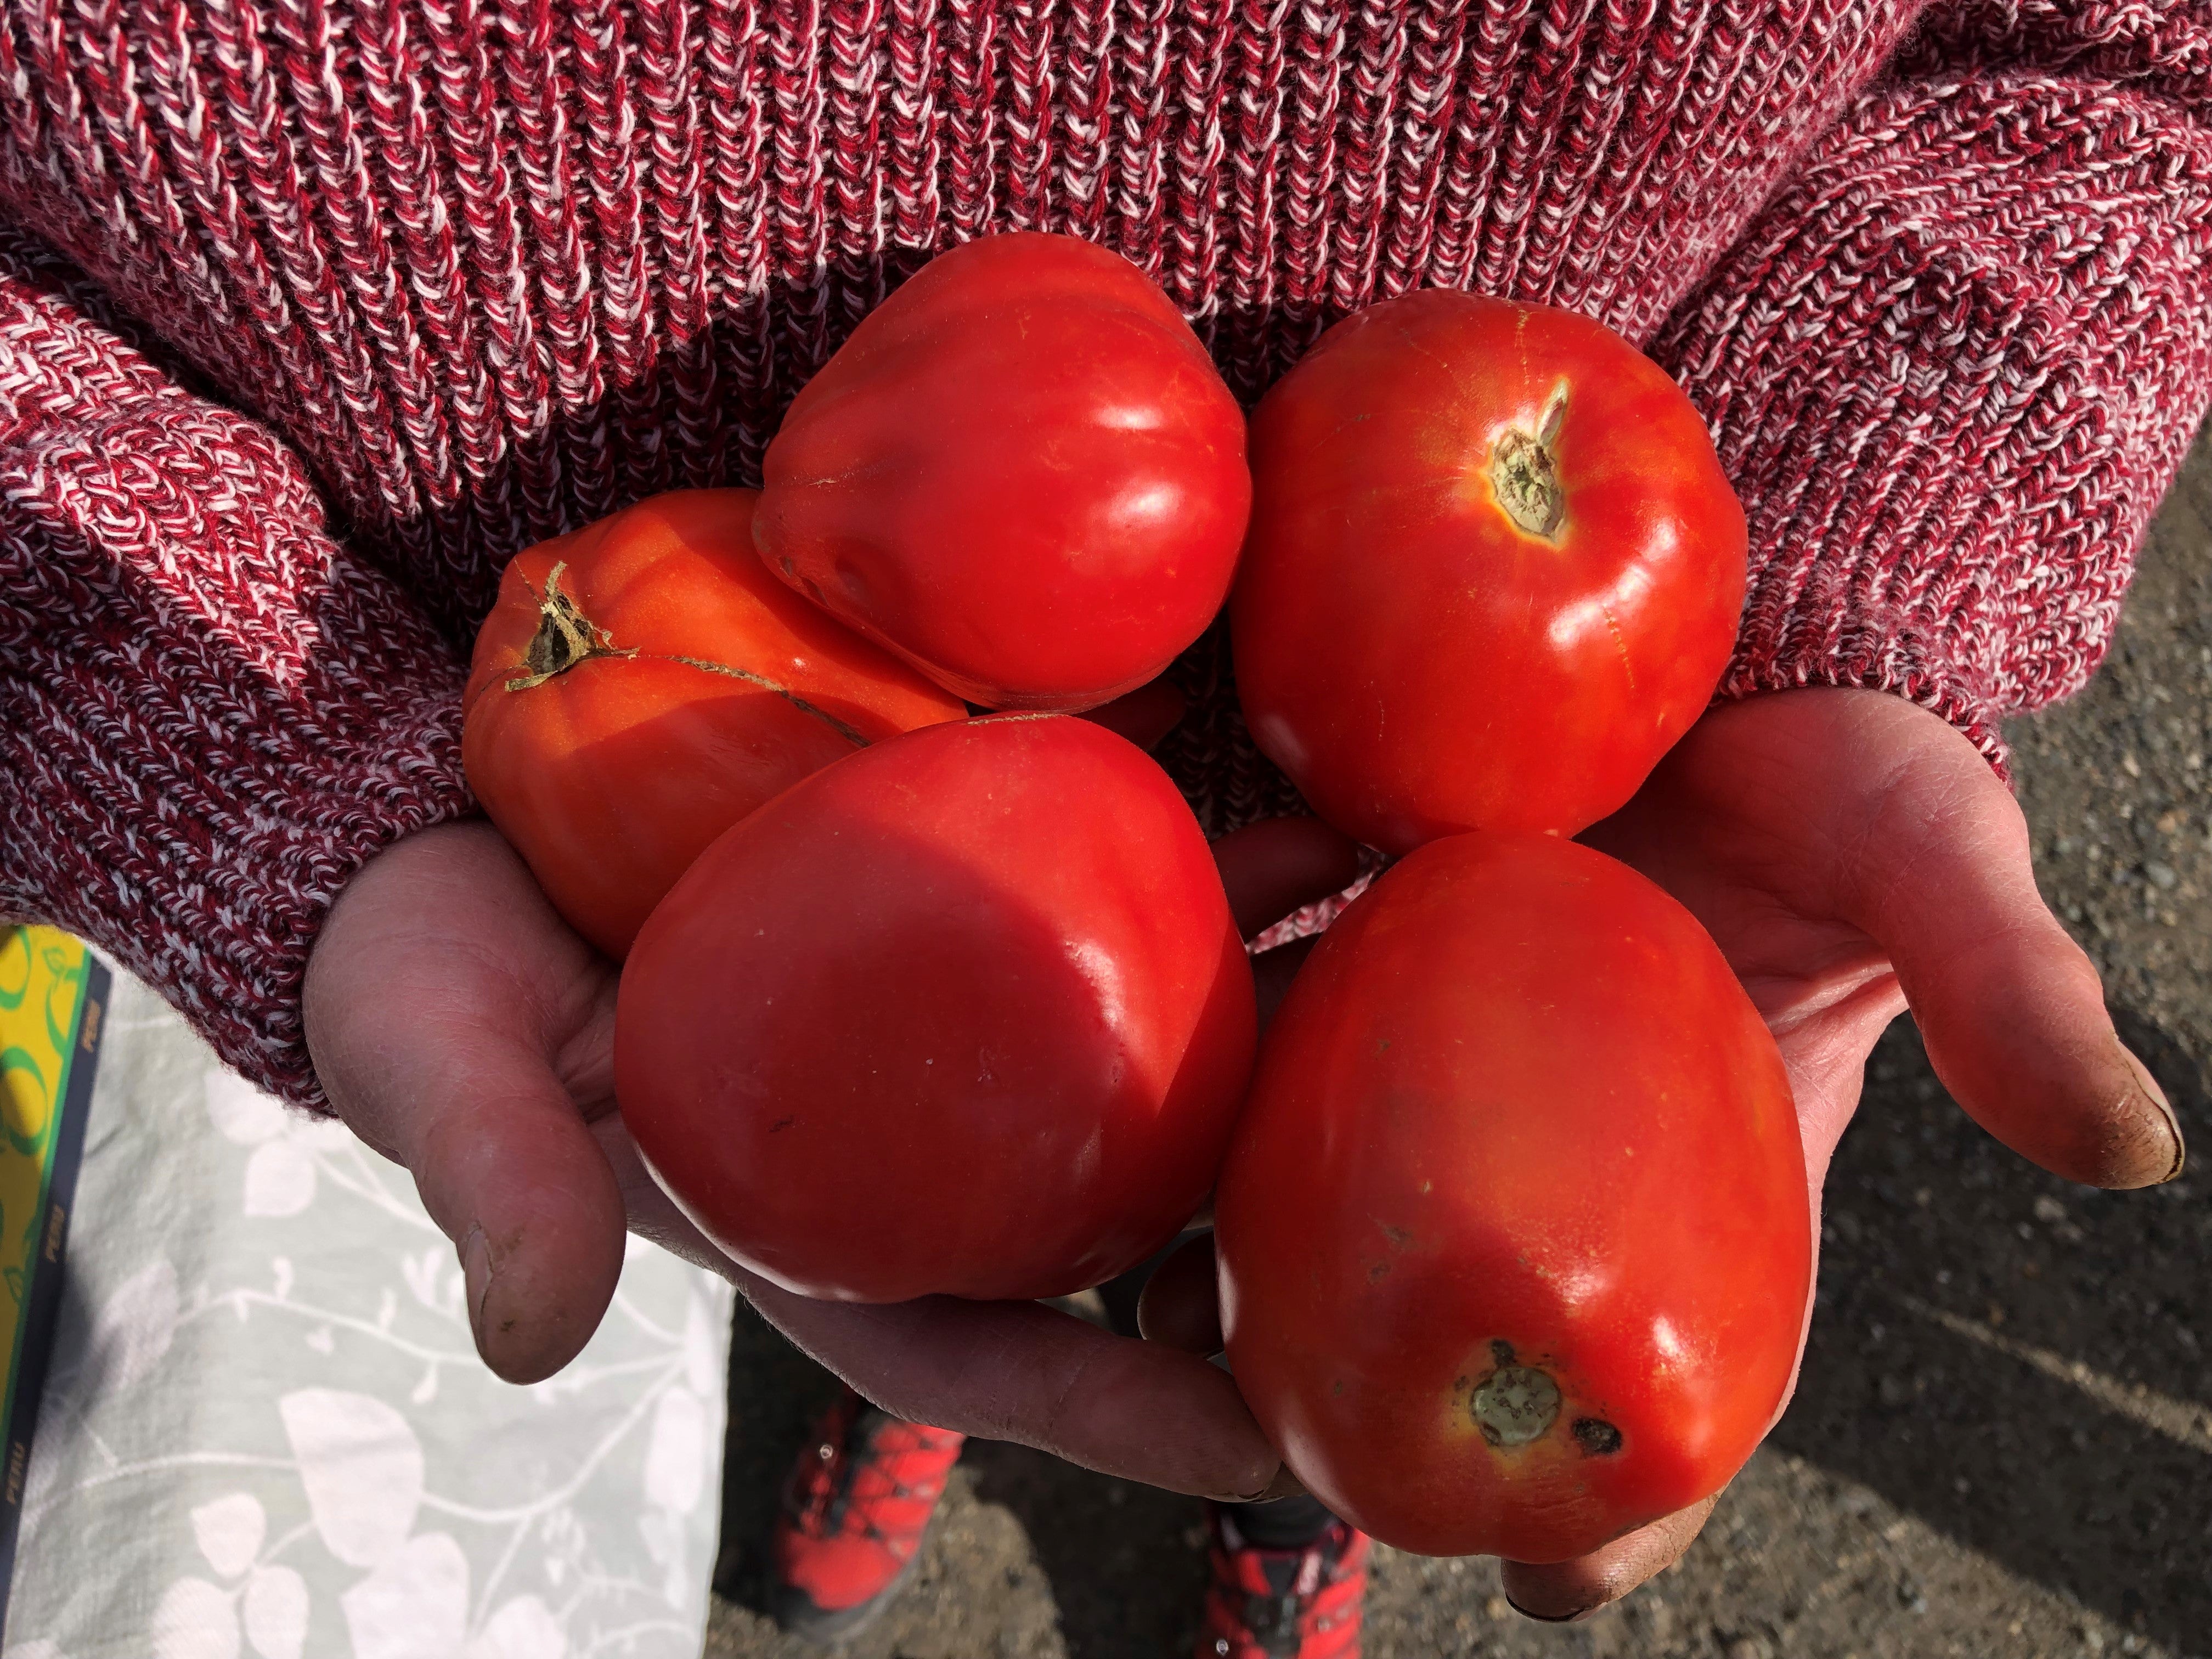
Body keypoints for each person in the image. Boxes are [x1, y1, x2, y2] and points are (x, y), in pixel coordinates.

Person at [1, 1, 2202, 1654]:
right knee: (972, 1246)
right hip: (730, 957)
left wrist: (1889, 529)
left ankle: (1288, 1465)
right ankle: (1047, 1364)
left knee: (1327, 1329)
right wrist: (227, 736)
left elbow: (2127, 62)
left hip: (1348, 887)